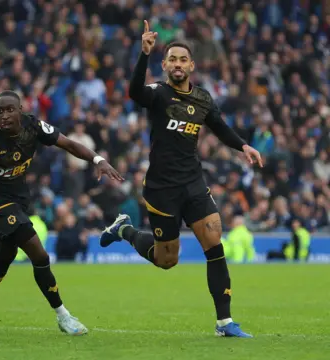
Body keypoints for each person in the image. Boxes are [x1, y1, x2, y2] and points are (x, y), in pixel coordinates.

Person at [99, 21, 263, 338]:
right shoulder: (159, 94)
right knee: (166, 260)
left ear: (192, 65)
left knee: (214, 242)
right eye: (171, 59)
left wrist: (243, 145)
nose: (177, 64)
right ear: (165, 65)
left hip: (193, 183)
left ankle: (225, 323)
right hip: (161, 189)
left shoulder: (203, 99)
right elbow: (133, 92)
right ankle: (125, 229)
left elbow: (219, 127)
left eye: (182, 59)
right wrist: (143, 55)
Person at [0, 90, 123, 335]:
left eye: (9, 109)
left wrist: (98, 160)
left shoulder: (34, 126)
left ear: (20, 109)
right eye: (0, 111)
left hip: (20, 198)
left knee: (6, 253)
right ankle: (63, 316)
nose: (4, 115)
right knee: (39, 255)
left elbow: (69, 144)